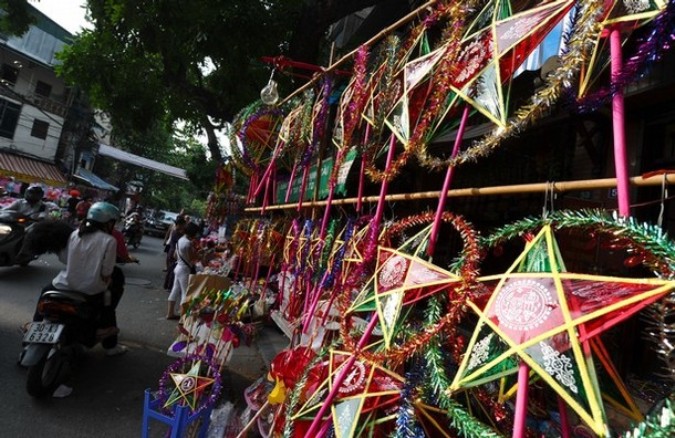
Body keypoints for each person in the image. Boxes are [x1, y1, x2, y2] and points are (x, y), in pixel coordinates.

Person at [41, 201, 127, 356]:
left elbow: (65, 259)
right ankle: (110, 346)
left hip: (64, 284)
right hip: (91, 289)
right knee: (108, 306)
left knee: (45, 293)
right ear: (108, 222)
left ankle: (35, 325)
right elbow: (107, 271)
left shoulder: (75, 234)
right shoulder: (109, 240)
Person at [167, 222, 201, 320]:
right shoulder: (188, 243)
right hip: (184, 270)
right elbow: (192, 258)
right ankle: (182, 319)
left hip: (178, 267)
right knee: (185, 293)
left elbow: (175, 255)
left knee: (175, 290)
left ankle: (170, 314)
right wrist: (199, 253)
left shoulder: (180, 240)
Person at [163, 215, 187, 289]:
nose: (184, 226)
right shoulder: (177, 233)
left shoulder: (176, 231)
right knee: (172, 270)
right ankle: (169, 286)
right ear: (179, 224)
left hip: (172, 251)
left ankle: (166, 285)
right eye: (183, 225)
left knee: (170, 270)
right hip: (174, 252)